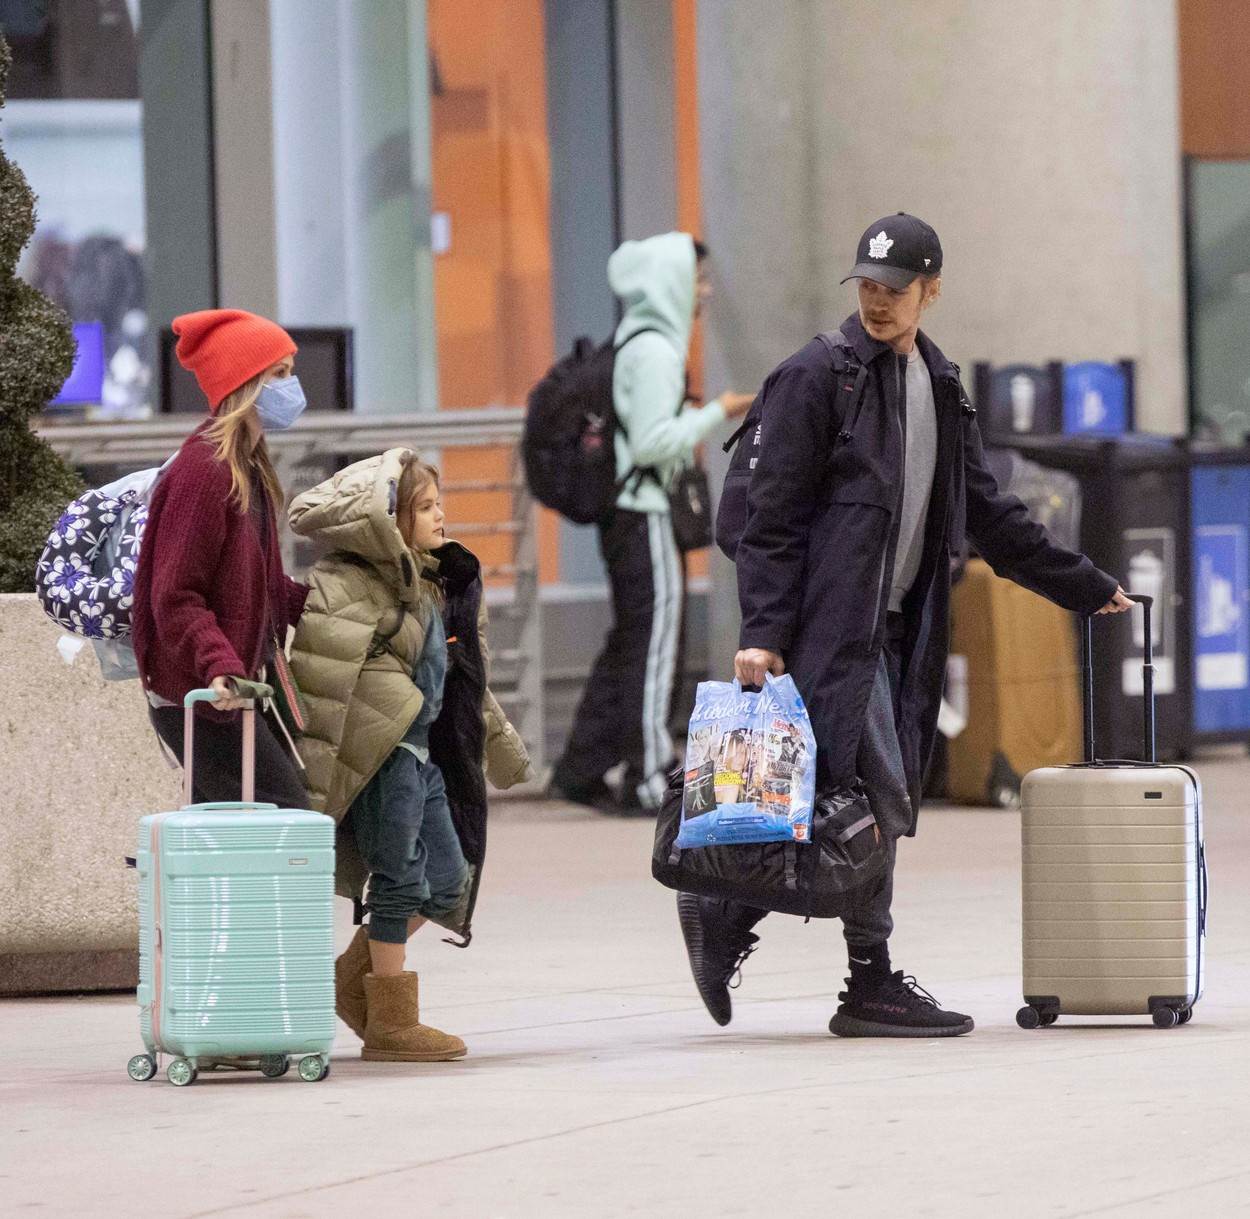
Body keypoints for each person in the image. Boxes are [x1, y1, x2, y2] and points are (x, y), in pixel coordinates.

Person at [678, 213, 1134, 1038]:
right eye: (869, 288)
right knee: (874, 802)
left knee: (846, 805)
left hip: (900, 632)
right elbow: (767, 518)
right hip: (827, 634)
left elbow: (987, 513)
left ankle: (731, 913)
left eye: (896, 290)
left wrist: (1082, 585)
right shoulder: (819, 376)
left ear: (932, 290)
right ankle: (866, 978)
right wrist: (764, 631)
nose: (879, 303)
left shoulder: (939, 385)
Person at [287, 450, 532, 1063]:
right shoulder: (347, 581)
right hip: (383, 753)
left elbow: (463, 676)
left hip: (421, 754)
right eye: (425, 508)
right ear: (387, 519)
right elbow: (326, 671)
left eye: (437, 503)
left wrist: (502, 748)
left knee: (449, 880)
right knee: (400, 878)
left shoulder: (432, 581)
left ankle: (353, 976)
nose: (440, 515)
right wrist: (397, 703)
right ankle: (393, 1021)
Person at [548, 232, 754, 814]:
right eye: (700, 280)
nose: (705, 291)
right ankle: (648, 772)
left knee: (632, 642)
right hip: (643, 515)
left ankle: (582, 765)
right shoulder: (657, 351)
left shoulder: (637, 341)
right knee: (656, 644)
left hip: (626, 519)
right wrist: (717, 411)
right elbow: (650, 443)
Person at [131, 308, 310, 806]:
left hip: (228, 690)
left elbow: (265, 587)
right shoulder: (205, 473)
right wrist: (219, 664)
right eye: (279, 375)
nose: (291, 387)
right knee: (285, 819)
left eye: (291, 373)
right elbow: (175, 594)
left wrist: (332, 604)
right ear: (244, 383)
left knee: (249, 836)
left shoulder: (245, 467)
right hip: (202, 696)